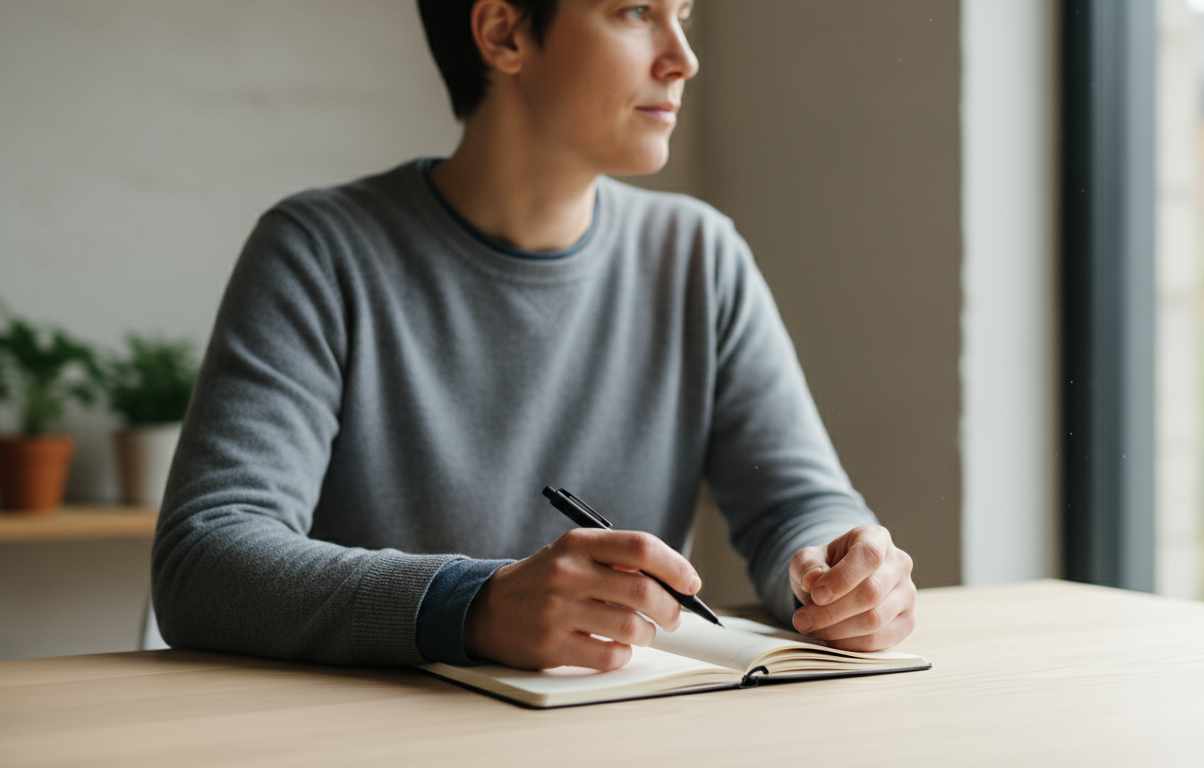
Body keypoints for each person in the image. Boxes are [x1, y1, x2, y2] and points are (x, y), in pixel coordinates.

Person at [152, 0, 917, 672]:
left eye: (679, 14)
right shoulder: (318, 251)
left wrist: (839, 572)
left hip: (614, 732)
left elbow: (798, 502)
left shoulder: (699, 255)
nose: (682, 59)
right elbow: (207, 558)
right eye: (633, 12)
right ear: (503, 32)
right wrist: (472, 604)